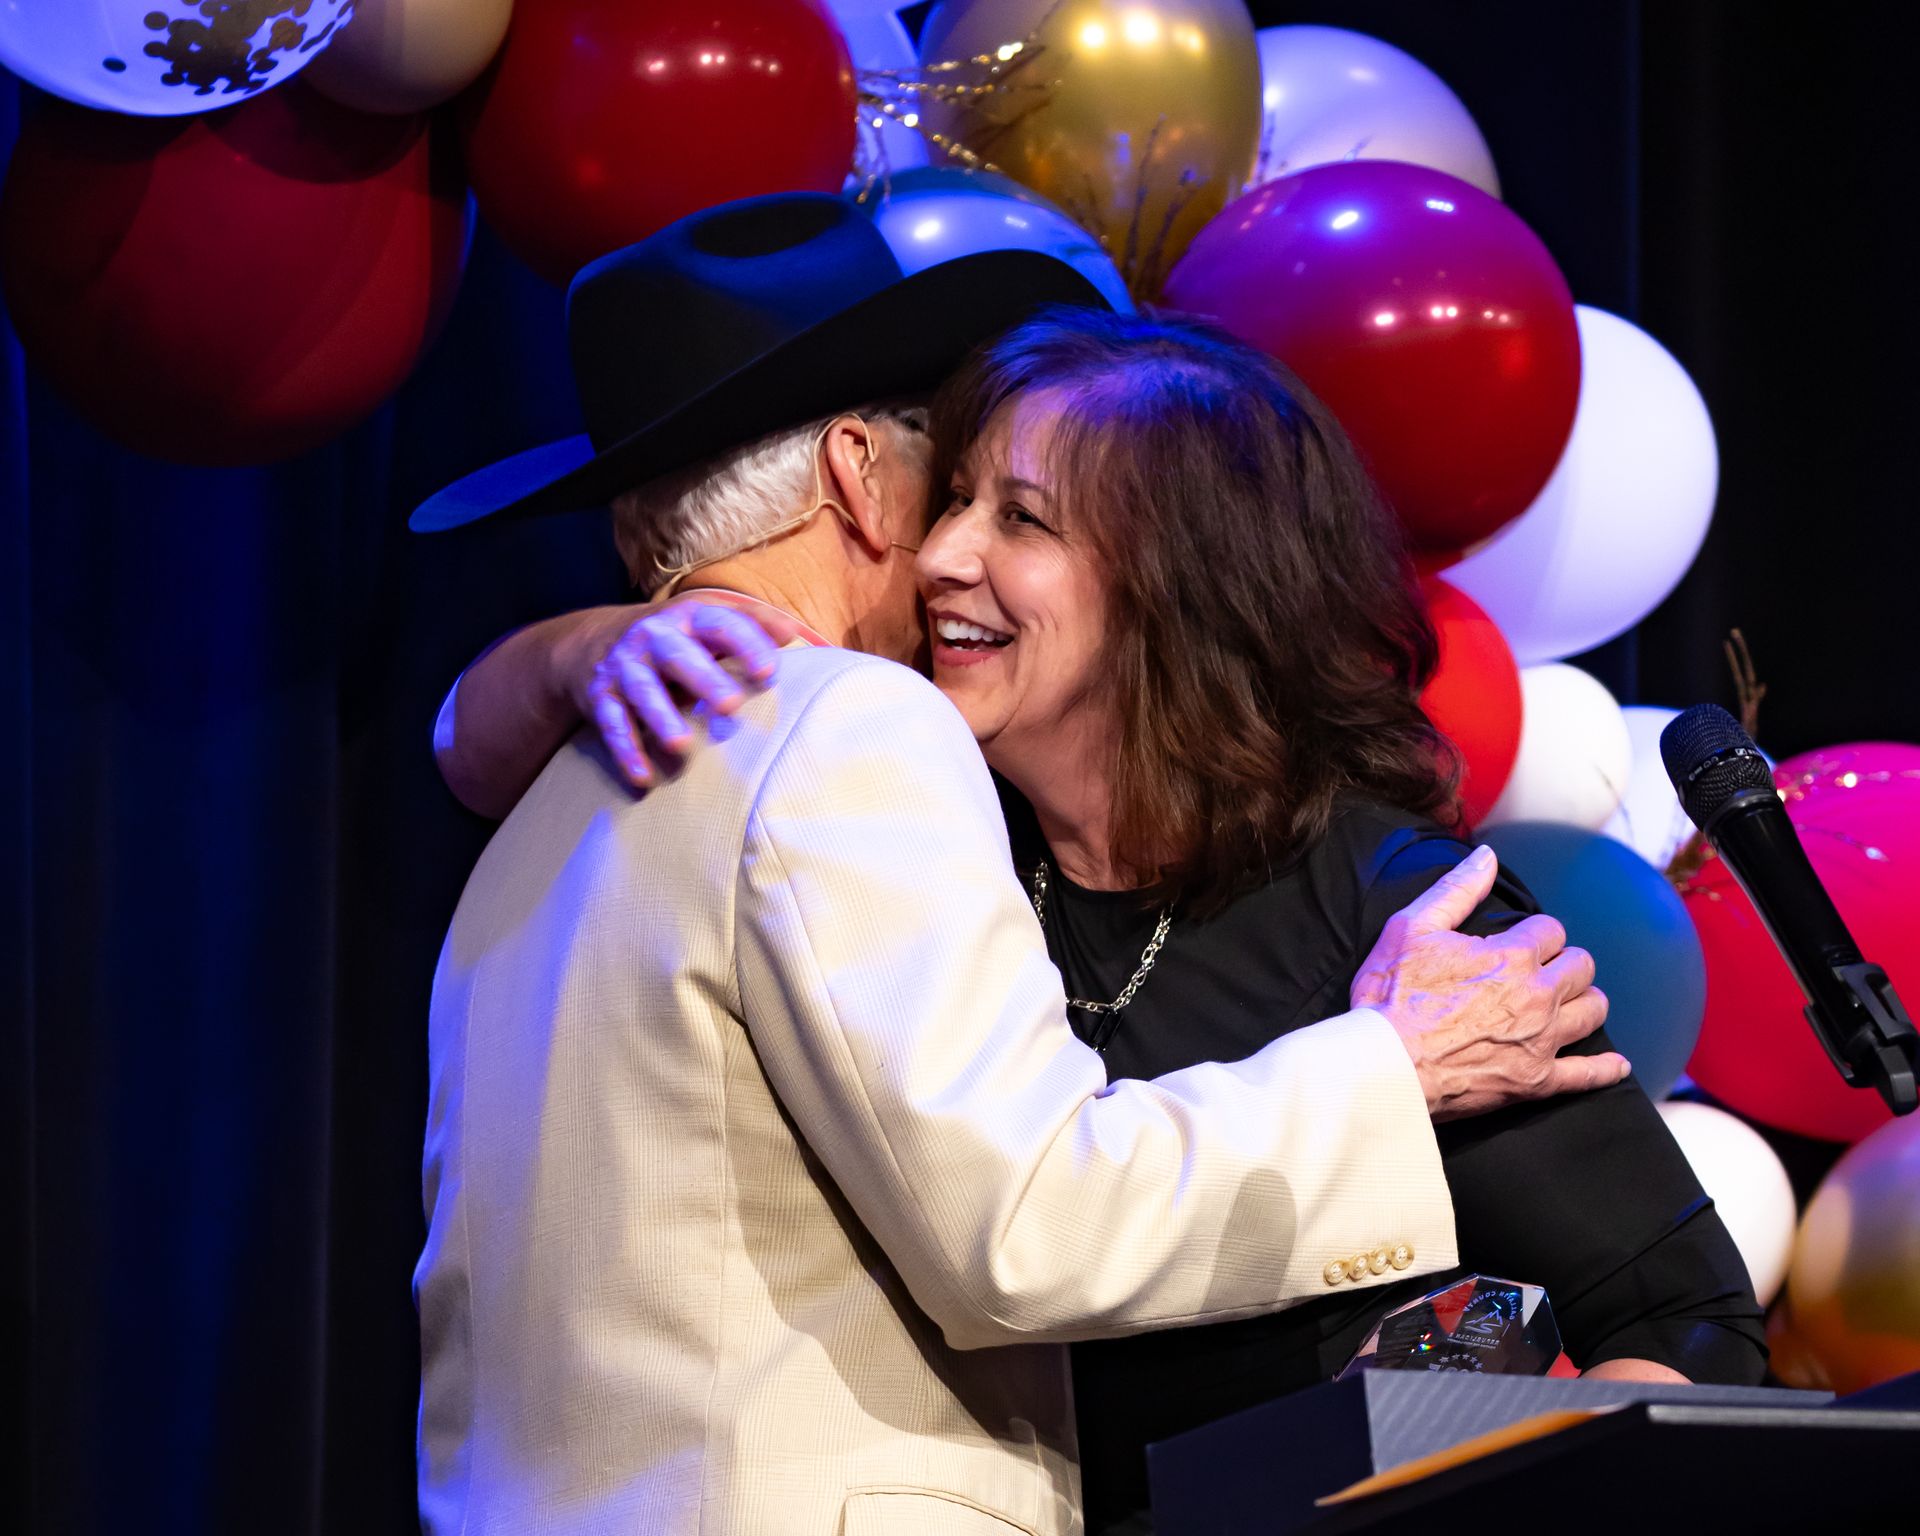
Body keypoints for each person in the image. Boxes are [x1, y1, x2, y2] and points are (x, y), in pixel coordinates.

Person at [440, 303, 1766, 1530]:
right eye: (951, 497)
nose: (947, 555)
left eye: (1018, 519)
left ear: (1172, 579)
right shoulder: (913, 847)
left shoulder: (1383, 908)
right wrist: (573, 647)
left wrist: (1433, 1466)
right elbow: (1034, 1228)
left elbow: (1680, 1316)